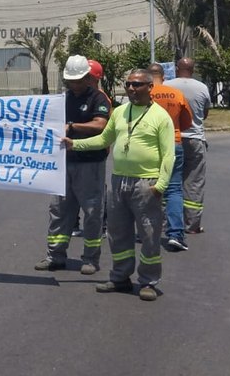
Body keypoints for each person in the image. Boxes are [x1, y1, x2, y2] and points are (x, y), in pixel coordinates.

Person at [64, 68, 175, 301]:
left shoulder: (160, 116)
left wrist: (161, 185)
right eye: (129, 85)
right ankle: (120, 277)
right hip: (118, 181)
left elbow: (168, 155)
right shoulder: (121, 112)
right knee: (118, 233)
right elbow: (104, 140)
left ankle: (148, 282)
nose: (132, 89)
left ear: (149, 87)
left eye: (138, 85)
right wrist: (75, 144)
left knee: (149, 234)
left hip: (147, 183)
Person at [36, 55, 110, 275]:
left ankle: (91, 258)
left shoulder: (99, 98)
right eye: (70, 81)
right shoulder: (62, 99)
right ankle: (55, 255)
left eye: (77, 80)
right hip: (63, 163)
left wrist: (72, 127)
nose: (73, 84)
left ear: (88, 78)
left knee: (91, 211)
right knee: (59, 211)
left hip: (90, 163)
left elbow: (100, 125)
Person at [148, 63, 194, 252]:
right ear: (163, 76)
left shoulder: (144, 94)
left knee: (146, 185)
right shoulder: (176, 94)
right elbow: (187, 123)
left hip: (149, 144)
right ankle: (175, 234)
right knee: (174, 189)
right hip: (173, 142)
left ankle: (147, 230)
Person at [165, 57, 211, 235]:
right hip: (194, 138)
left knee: (168, 180)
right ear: (193, 69)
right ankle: (192, 224)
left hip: (171, 137)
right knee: (194, 182)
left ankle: (164, 221)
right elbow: (204, 113)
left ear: (177, 68)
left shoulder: (167, 86)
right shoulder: (202, 87)